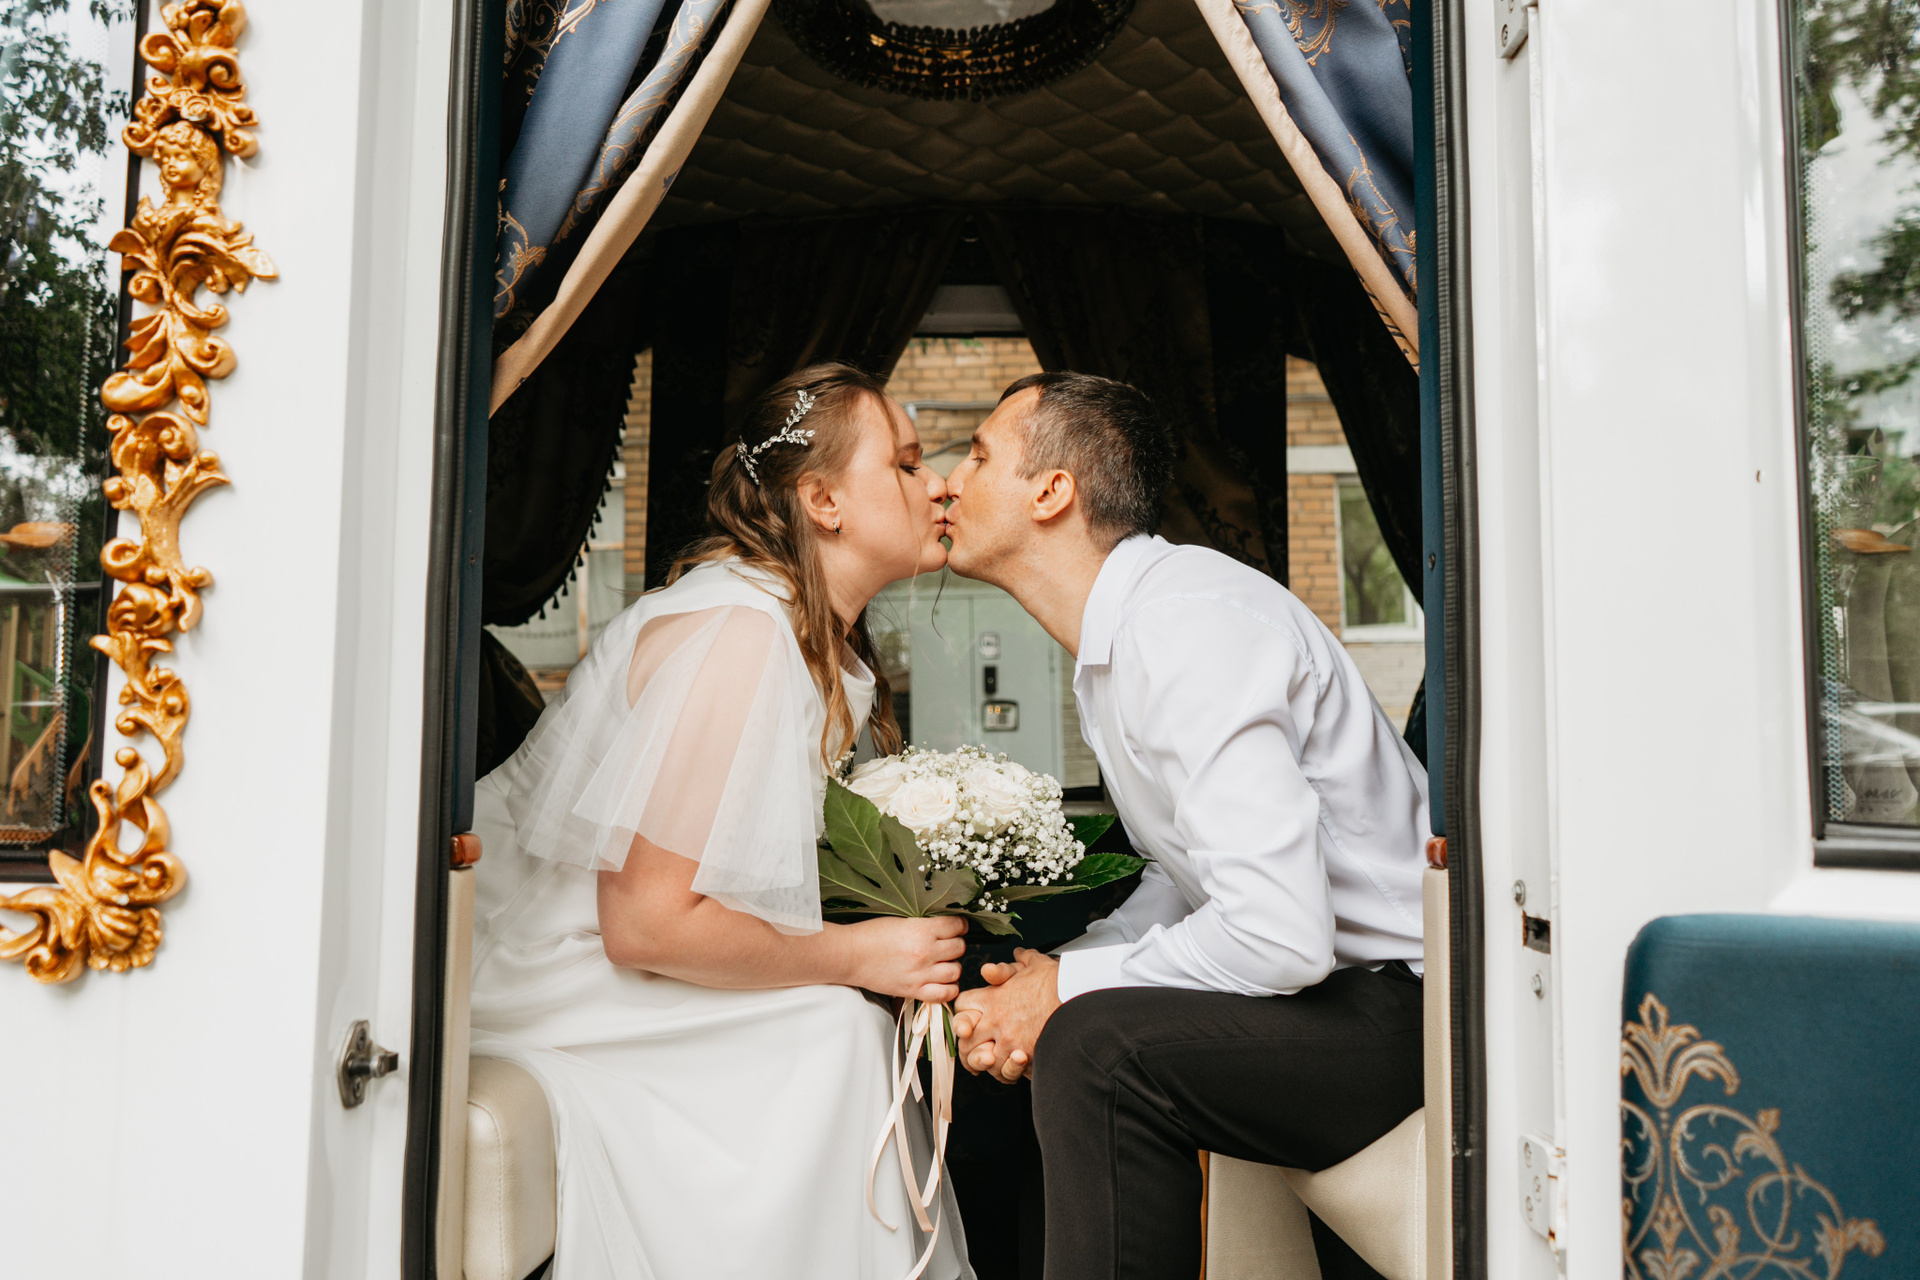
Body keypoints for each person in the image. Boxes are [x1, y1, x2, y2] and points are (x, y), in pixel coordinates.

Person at [468, 364, 976, 1280]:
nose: (937, 483)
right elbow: (646, 925)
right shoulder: (740, 635)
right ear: (823, 501)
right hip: (540, 964)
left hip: (599, 950)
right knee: (833, 1037)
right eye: (905, 464)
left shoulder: (790, 625)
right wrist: (859, 954)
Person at [942, 372, 1428, 1280]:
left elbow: (1279, 936)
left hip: (1405, 1008)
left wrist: (1065, 995)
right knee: (1072, 1028)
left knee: (1096, 1050)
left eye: (976, 456)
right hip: (1336, 996)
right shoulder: (1129, 633)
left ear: (1052, 493)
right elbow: (1183, 873)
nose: (947, 483)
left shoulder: (1182, 626)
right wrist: (1055, 974)